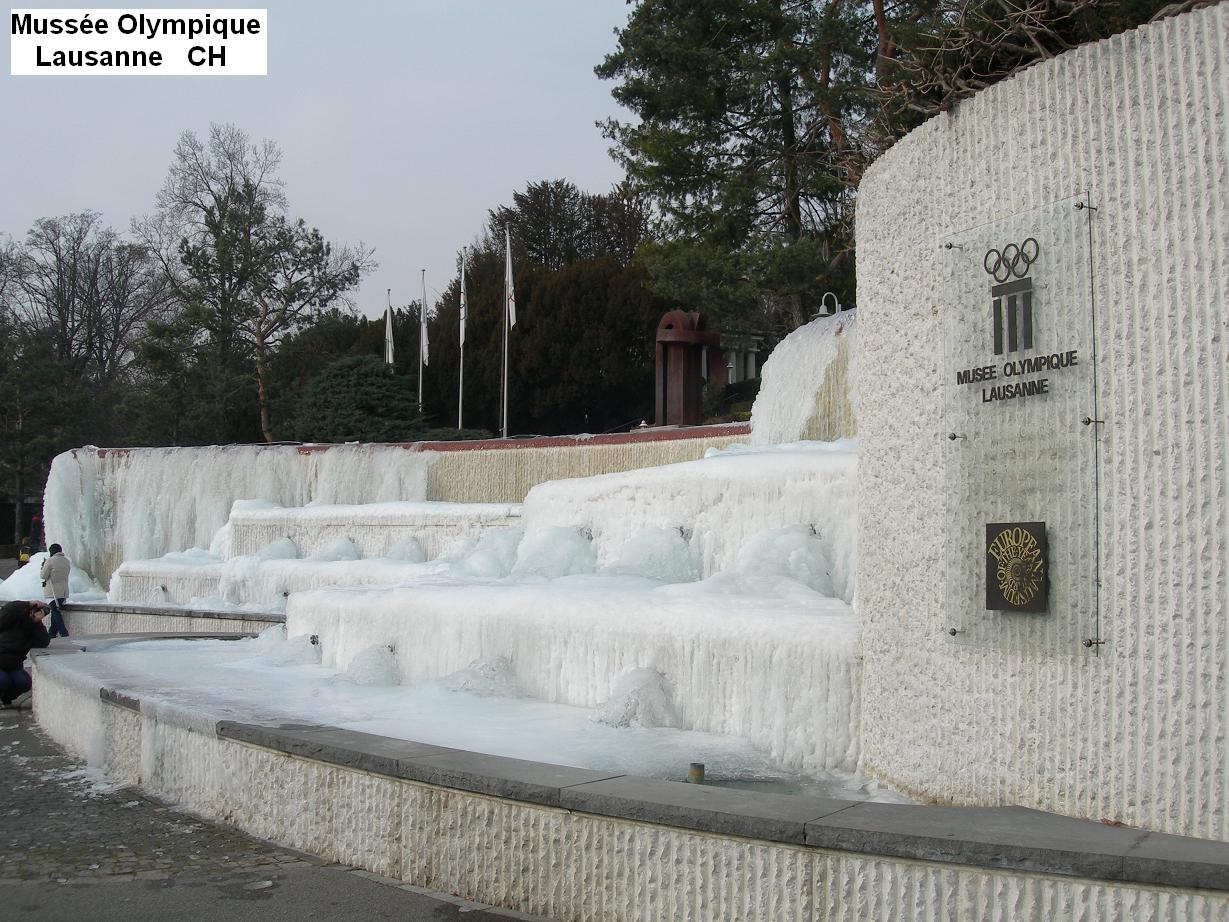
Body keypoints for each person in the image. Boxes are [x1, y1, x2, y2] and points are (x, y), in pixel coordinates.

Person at [0, 600, 49, 708]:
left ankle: (5, 698)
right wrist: (29, 603)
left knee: (24, 682)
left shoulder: (32, 627)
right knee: (3, 680)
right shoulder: (11, 618)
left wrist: (37, 622)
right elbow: (7, 610)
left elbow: (43, 642)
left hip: (14, 665)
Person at [40, 543, 71, 639]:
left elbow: (43, 576)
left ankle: (64, 633)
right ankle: (52, 634)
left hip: (52, 591)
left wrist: (43, 566)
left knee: (55, 611)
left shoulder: (50, 561)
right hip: (64, 592)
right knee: (55, 612)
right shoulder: (67, 561)